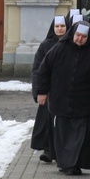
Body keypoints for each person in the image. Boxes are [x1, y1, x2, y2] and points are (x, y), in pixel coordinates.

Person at [36, 21, 90, 175]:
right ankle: (65, 164)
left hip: (83, 101)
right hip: (61, 99)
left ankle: (75, 164)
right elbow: (43, 70)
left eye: (83, 37)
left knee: (80, 136)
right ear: (72, 34)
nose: (79, 39)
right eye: (77, 35)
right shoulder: (60, 48)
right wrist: (42, 92)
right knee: (63, 135)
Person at [31, 15, 69, 163]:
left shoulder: (72, 43)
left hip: (66, 90)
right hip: (49, 90)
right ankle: (48, 150)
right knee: (47, 122)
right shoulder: (45, 45)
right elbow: (37, 69)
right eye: (57, 26)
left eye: (62, 26)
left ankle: (62, 151)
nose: (60, 29)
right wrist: (39, 91)